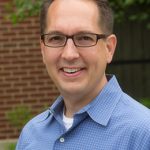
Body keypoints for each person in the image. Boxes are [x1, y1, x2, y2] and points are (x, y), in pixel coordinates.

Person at [16, 0, 150, 149]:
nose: (69, 54)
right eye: (56, 38)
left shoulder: (144, 134)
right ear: (43, 50)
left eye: (85, 38)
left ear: (109, 48)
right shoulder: (31, 135)